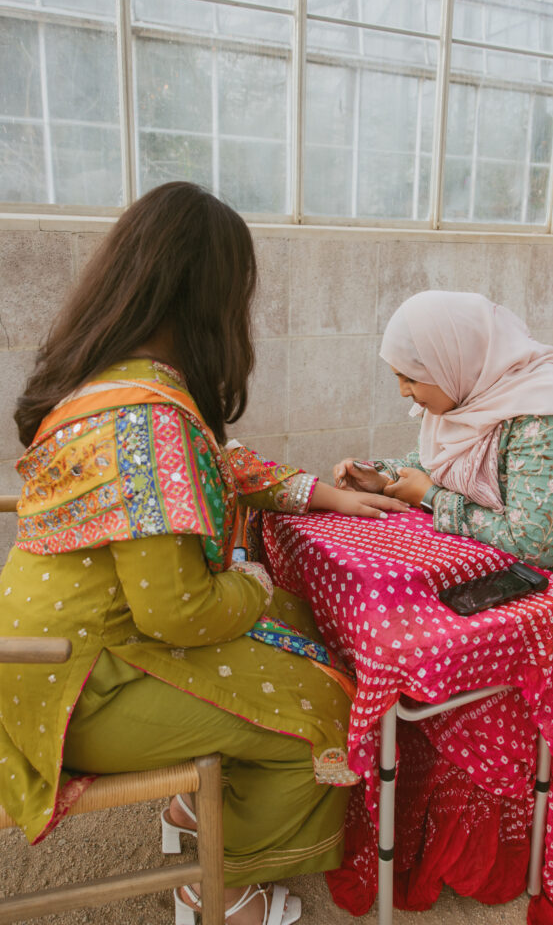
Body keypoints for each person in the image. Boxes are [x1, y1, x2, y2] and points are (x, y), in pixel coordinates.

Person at [0, 181, 406, 925]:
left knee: (293, 623)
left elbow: (220, 463)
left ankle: (196, 813)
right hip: (83, 685)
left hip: (49, 652)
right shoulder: (147, 419)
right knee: (320, 703)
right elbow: (179, 611)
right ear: (208, 297)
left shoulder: (106, 382)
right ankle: (216, 889)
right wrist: (250, 576)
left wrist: (320, 492)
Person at [334, 290, 553, 718]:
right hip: (538, 548)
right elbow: (437, 464)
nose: (403, 391)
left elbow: (535, 544)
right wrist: (384, 477)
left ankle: (516, 756)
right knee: (426, 607)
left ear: (450, 359)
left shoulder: (551, 416)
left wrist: (430, 498)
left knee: (477, 639)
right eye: (397, 376)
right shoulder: (471, 391)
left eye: (411, 377)